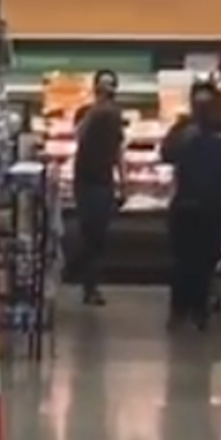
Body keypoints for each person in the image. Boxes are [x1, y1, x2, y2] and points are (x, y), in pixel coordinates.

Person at [160, 81, 221, 330]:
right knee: (180, 262)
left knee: (205, 262)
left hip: (213, 208)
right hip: (184, 206)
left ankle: (199, 310)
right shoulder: (184, 129)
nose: (203, 108)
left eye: (207, 103)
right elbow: (166, 153)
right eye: (199, 103)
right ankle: (178, 310)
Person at [70, 70, 125, 306]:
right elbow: (78, 136)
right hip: (86, 179)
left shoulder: (114, 115)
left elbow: (118, 150)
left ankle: (86, 280)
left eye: (110, 86)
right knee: (90, 232)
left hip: (102, 180)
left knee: (96, 235)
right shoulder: (87, 113)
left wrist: (123, 182)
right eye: (102, 86)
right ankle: (86, 282)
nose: (106, 91)